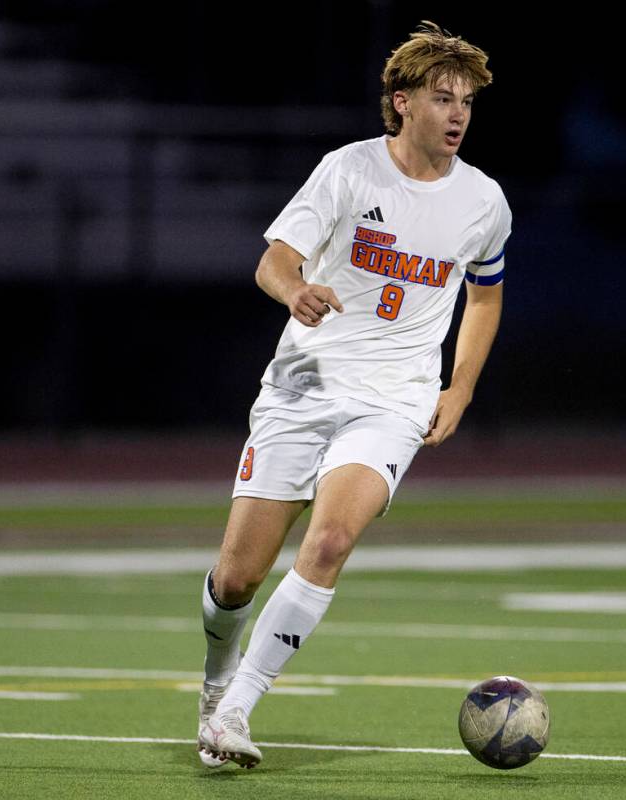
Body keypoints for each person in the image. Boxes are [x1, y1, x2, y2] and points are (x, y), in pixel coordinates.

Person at [196, 20, 511, 768]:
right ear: (401, 103)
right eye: (442, 97)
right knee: (237, 576)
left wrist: (458, 389)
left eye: (465, 99)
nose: (457, 113)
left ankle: (236, 710)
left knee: (331, 540)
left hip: (394, 400)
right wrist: (296, 291)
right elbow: (274, 260)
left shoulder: (484, 201)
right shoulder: (347, 170)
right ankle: (214, 683)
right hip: (304, 388)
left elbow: (486, 297)